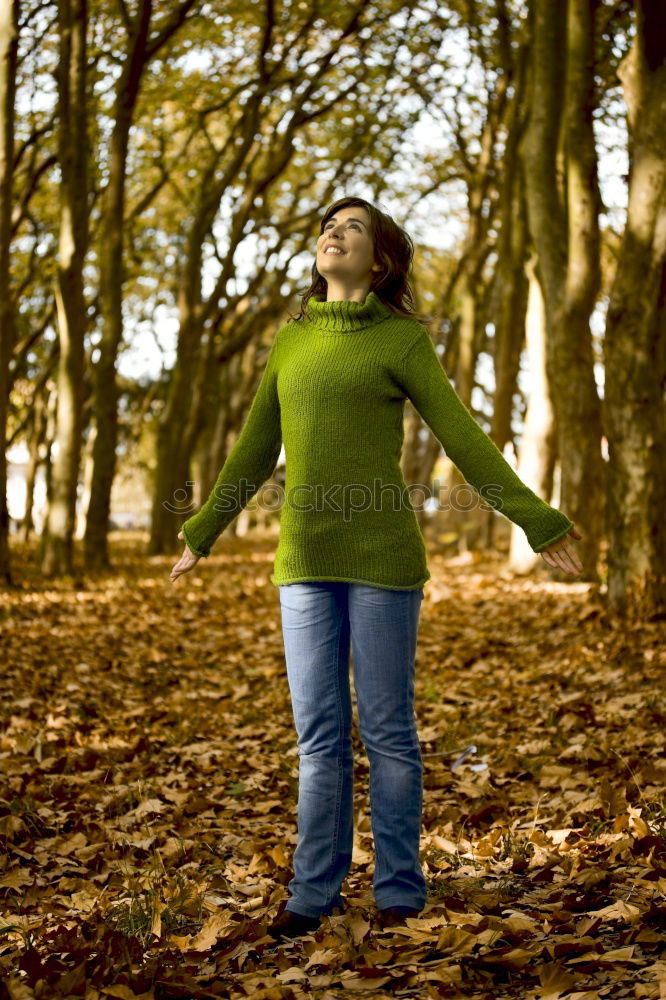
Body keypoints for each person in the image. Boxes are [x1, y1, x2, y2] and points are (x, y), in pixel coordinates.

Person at [170, 197, 583, 941]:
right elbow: (254, 449)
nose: (333, 233)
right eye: (327, 225)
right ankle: (312, 890)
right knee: (319, 737)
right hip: (303, 561)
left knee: (388, 731)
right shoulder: (290, 342)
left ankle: (399, 888)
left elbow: (463, 436)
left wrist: (536, 517)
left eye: (352, 227)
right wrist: (203, 529)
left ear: (380, 259)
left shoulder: (401, 340)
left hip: (383, 561)